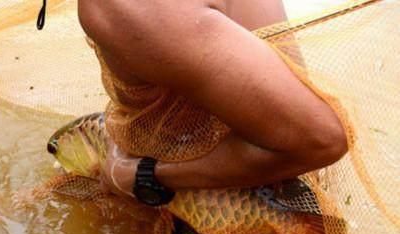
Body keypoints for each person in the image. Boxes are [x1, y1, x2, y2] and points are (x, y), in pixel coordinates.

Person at [77, 0, 348, 200]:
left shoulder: (120, 8)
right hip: (283, 174)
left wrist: (142, 176)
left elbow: (322, 141)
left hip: (239, 208)